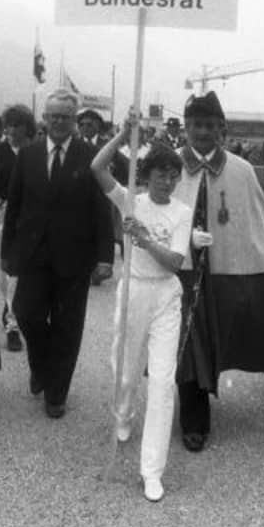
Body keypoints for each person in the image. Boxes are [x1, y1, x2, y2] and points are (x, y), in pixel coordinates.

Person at [172, 91, 264, 452]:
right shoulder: (170, 164)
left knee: (218, 336)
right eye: (195, 125)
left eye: (209, 125)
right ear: (186, 127)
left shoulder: (242, 170)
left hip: (225, 273)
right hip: (184, 271)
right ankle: (194, 418)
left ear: (221, 128)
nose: (202, 132)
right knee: (187, 340)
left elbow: (256, 223)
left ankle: (201, 390)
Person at [92, 109, 192, 503]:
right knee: (126, 372)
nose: (167, 181)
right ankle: (124, 413)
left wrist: (145, 238)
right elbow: (97, 166)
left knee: (164, 382)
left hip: (166, 295)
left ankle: (152, 470)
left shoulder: (182, 213)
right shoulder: (129, 199)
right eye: (160, 174)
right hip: (133, 291)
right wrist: (123, 133)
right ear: (147, 174)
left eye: (173, 175)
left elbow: (176, 263)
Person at [3, 88, 115, 419]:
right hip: (33, 255)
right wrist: (8, 251)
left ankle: (56, 392)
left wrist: (105, 257)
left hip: (74, 258)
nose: (59, 122)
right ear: (45, 118)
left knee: (68, 326)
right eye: (53, 116)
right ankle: (42, 366)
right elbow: (15, 206)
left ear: (75, 119)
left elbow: (101, 211)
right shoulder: (28, 155)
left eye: (66, 117)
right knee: (26, 313)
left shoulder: (90, 158)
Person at [0, 103, 36, 352]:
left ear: (27, 128)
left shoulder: (37, 151)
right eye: (8, 125)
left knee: (22, 273)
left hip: (32, 217)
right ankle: (9, 306)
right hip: (2, 216)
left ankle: (13, 324)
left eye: (17, 125)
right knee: (3, 271)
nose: (11, 130)